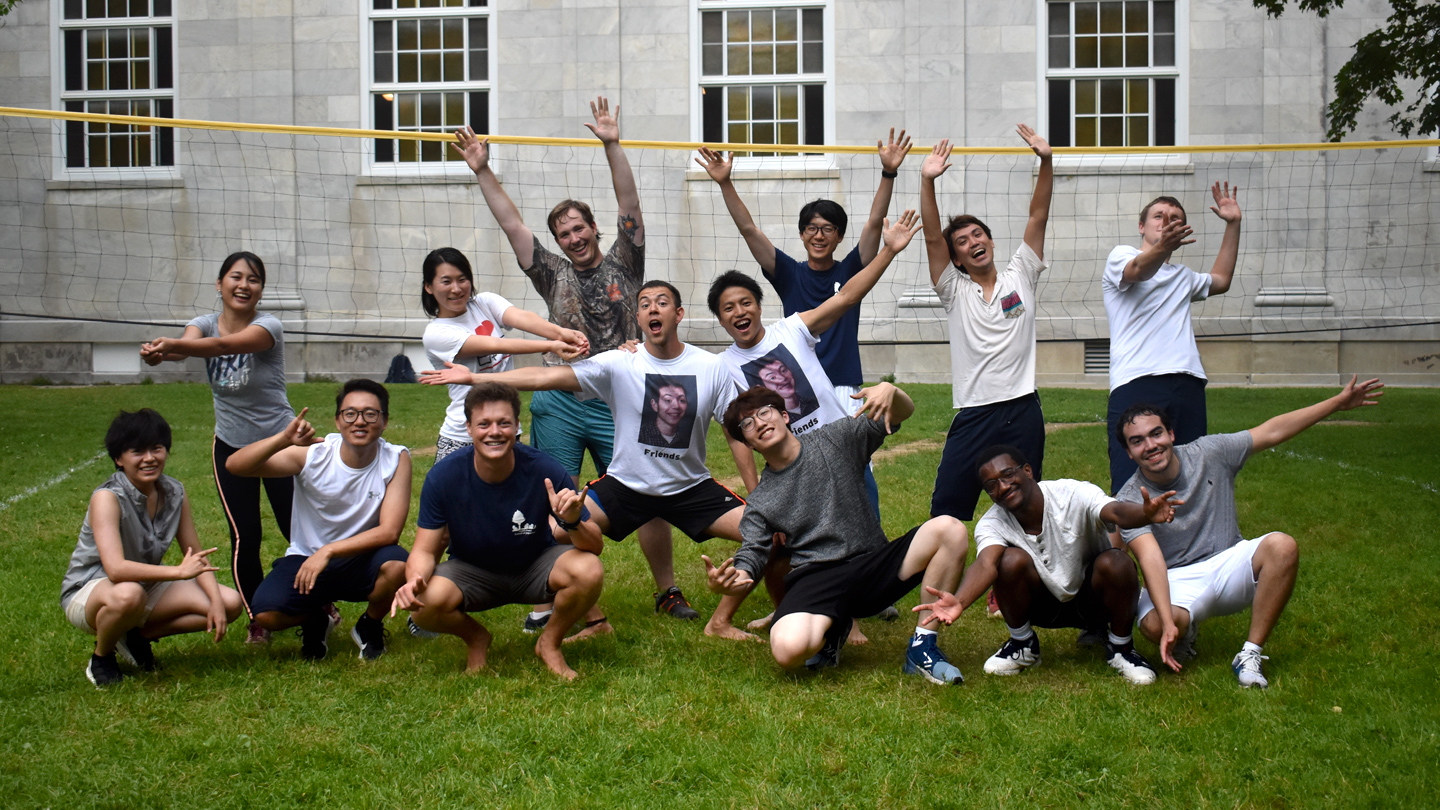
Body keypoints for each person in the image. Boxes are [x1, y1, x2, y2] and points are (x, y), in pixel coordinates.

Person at [423, 281, 761, 641]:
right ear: (638, 318)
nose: (653, 309)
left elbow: (734, 430)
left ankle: (721, 621)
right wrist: (476, 376)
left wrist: (756, 493)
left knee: (767, 531)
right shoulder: (619, 362)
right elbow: (544, 376)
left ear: (678, 314)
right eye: (644, 303)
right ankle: (595, 621)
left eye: (662, 303)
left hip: (690, 486)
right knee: (556, 532)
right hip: (626, 485)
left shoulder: (710, 367)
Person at [451, 97, 678, 621]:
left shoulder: (627, 258)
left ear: (595, 228)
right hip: (561, 400)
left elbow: (631, 203)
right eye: (563, 233)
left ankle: (667, 590)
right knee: (551, 495)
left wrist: (611, 143)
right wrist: (483, 171)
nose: (573, 238)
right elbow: (512, 226)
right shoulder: (551, 272)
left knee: (643, 493)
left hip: (620, 400)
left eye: (580, 228)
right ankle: (550, 593)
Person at [1116, 375, 1383, 688]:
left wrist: (1337, 403)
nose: (1150, 445)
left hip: (1229, 560)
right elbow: (1150, 561)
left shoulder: (1210, 452)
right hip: (1176, 577)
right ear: (1129, 453)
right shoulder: (1131, 498)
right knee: (1154, 624)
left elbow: (1271, 431)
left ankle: (1250, 654)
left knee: (1282, 546)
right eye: (1137, 441)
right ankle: (1184, 633)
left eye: (1156, 433)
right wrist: (1167, 622)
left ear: (1171, 433)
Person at [707, 384, 970, 684]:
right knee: (786, 651)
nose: (760, 423)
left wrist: (891, 392)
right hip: (817, 578)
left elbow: (900, 414)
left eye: (765, 413)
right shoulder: (762, 499)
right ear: (750, 444)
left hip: (872, 563)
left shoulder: (836, 439)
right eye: (748, 424)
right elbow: (752, 552)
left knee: (950, 529)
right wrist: (734, 579)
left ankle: (923, 646)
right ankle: (831, 632)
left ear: (784, 416)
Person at [390, 382, 605, 680]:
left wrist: (571, 521)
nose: (495, 432)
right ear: (468, 428)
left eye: (504, 423)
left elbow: (595, 546)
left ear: (517, 426)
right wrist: (414, 580)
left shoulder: (544, 469)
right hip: (472, 571)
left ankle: (549, 643)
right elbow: (425, 550)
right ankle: (476, 638)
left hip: (534, 565)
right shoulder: (444, 476)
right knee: (424, 604)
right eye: (484, 424)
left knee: (588, 569)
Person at [914, 445, 1179, 685]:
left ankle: (1121, 648)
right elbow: (986, 564)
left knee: (1117, 562)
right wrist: (959, 601)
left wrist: (1145, 514)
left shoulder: (1072, 493)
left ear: (1027, 470)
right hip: (1042, 606)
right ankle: (1023, 645)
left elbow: (1116, 512)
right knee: (1008, 560)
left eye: (1008, 475)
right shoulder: (992, 523)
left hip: (1094, 603)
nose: (1003, 487)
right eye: (991, 485)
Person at [140, 251, 296, 645]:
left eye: (254, 279)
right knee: (246, 536)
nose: (244, 285)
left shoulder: (268, 326)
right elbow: (189, 345)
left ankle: (316, 605)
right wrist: (160, 353)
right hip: (230, 446)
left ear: (261, 289)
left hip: (279, 444)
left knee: (297, 530)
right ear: (219, 283)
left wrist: (176, 345)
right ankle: (256, 619)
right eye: (236, 277)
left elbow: (222, 346)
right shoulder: (202, 324)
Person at [694, 129, 911, 404]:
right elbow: (749, 230)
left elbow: (874, 222)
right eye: (811, 228)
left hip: (844, 386)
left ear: (840, 236)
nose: (818, 236)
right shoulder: (788, 274)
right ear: (801, 234)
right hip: (798, 385)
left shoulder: (851, 270)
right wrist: (725, 183)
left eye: (828, 229)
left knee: (850, 448)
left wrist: (888, 173)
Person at [919, 126, 1053, 524]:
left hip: (1021, 409)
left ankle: (1024, 577)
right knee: (946, 510)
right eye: (961, 240)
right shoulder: (953, 289)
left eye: (978, 234)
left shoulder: (1021, 274)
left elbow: (1038, 214)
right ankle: (941, 579)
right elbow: (930, 238)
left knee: (1029, 507)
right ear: (956, 257)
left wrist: (1046, 161)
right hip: (974, 413)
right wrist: (927, 180)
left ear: (991, 242)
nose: (972, 241)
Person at [224, 379, 412, 662]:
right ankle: (316, 620)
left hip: (360, 558)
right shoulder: (314, 455)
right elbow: (235, 466)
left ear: (384, 421)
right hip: (306, 559)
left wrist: (329, 550)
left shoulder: (396, 458)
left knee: (398, 565)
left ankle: (369, 626)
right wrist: (281, 441)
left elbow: (389, 532)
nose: (360, 421)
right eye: (350, 413)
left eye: (370, 414)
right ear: (338, 421)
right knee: (266, 613)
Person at [61, 409, 244, 687]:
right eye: (137, 451)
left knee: (230, 603)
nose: (149, 458)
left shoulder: (174, 492)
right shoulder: (107, 498)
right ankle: (102, 657)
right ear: (118, 459)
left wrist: (216, 603)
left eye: (156, 449)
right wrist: (178, 573)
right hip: (92, 589)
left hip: (143, 584)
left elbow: (195, 554)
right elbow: (115, 568)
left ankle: (135, 637)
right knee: (128, 595)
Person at [1103, 184, 1242, 493]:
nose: (1166, 221)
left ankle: (1191, 539)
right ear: (1142, 226)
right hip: (1138, 381)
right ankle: (1130, 539)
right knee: (1131, 483)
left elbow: (1221, 280)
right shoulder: (1122, 255)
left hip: (1187, 383)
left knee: (1190, 474)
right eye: (1159, 216)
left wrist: (1233, 224)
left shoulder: (1183, 276)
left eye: (1174, 218)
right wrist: (1163, 248)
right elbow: (1138, 270)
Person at [421, 246, 589, 462]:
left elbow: (522, 317)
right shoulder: (436, 334)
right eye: (446, 281)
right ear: (428, 287)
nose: (456, 288)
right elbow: (495, 345)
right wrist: (551, 345)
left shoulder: (484, 302)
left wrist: (561, 333)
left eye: (462, 279)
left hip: (506, 427)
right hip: (464, 435)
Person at [638, 378, 692, 448]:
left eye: (681, 400)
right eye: (668, 400)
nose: (676, 406)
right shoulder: (641, 435)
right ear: (654, 405)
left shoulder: (687, 439)